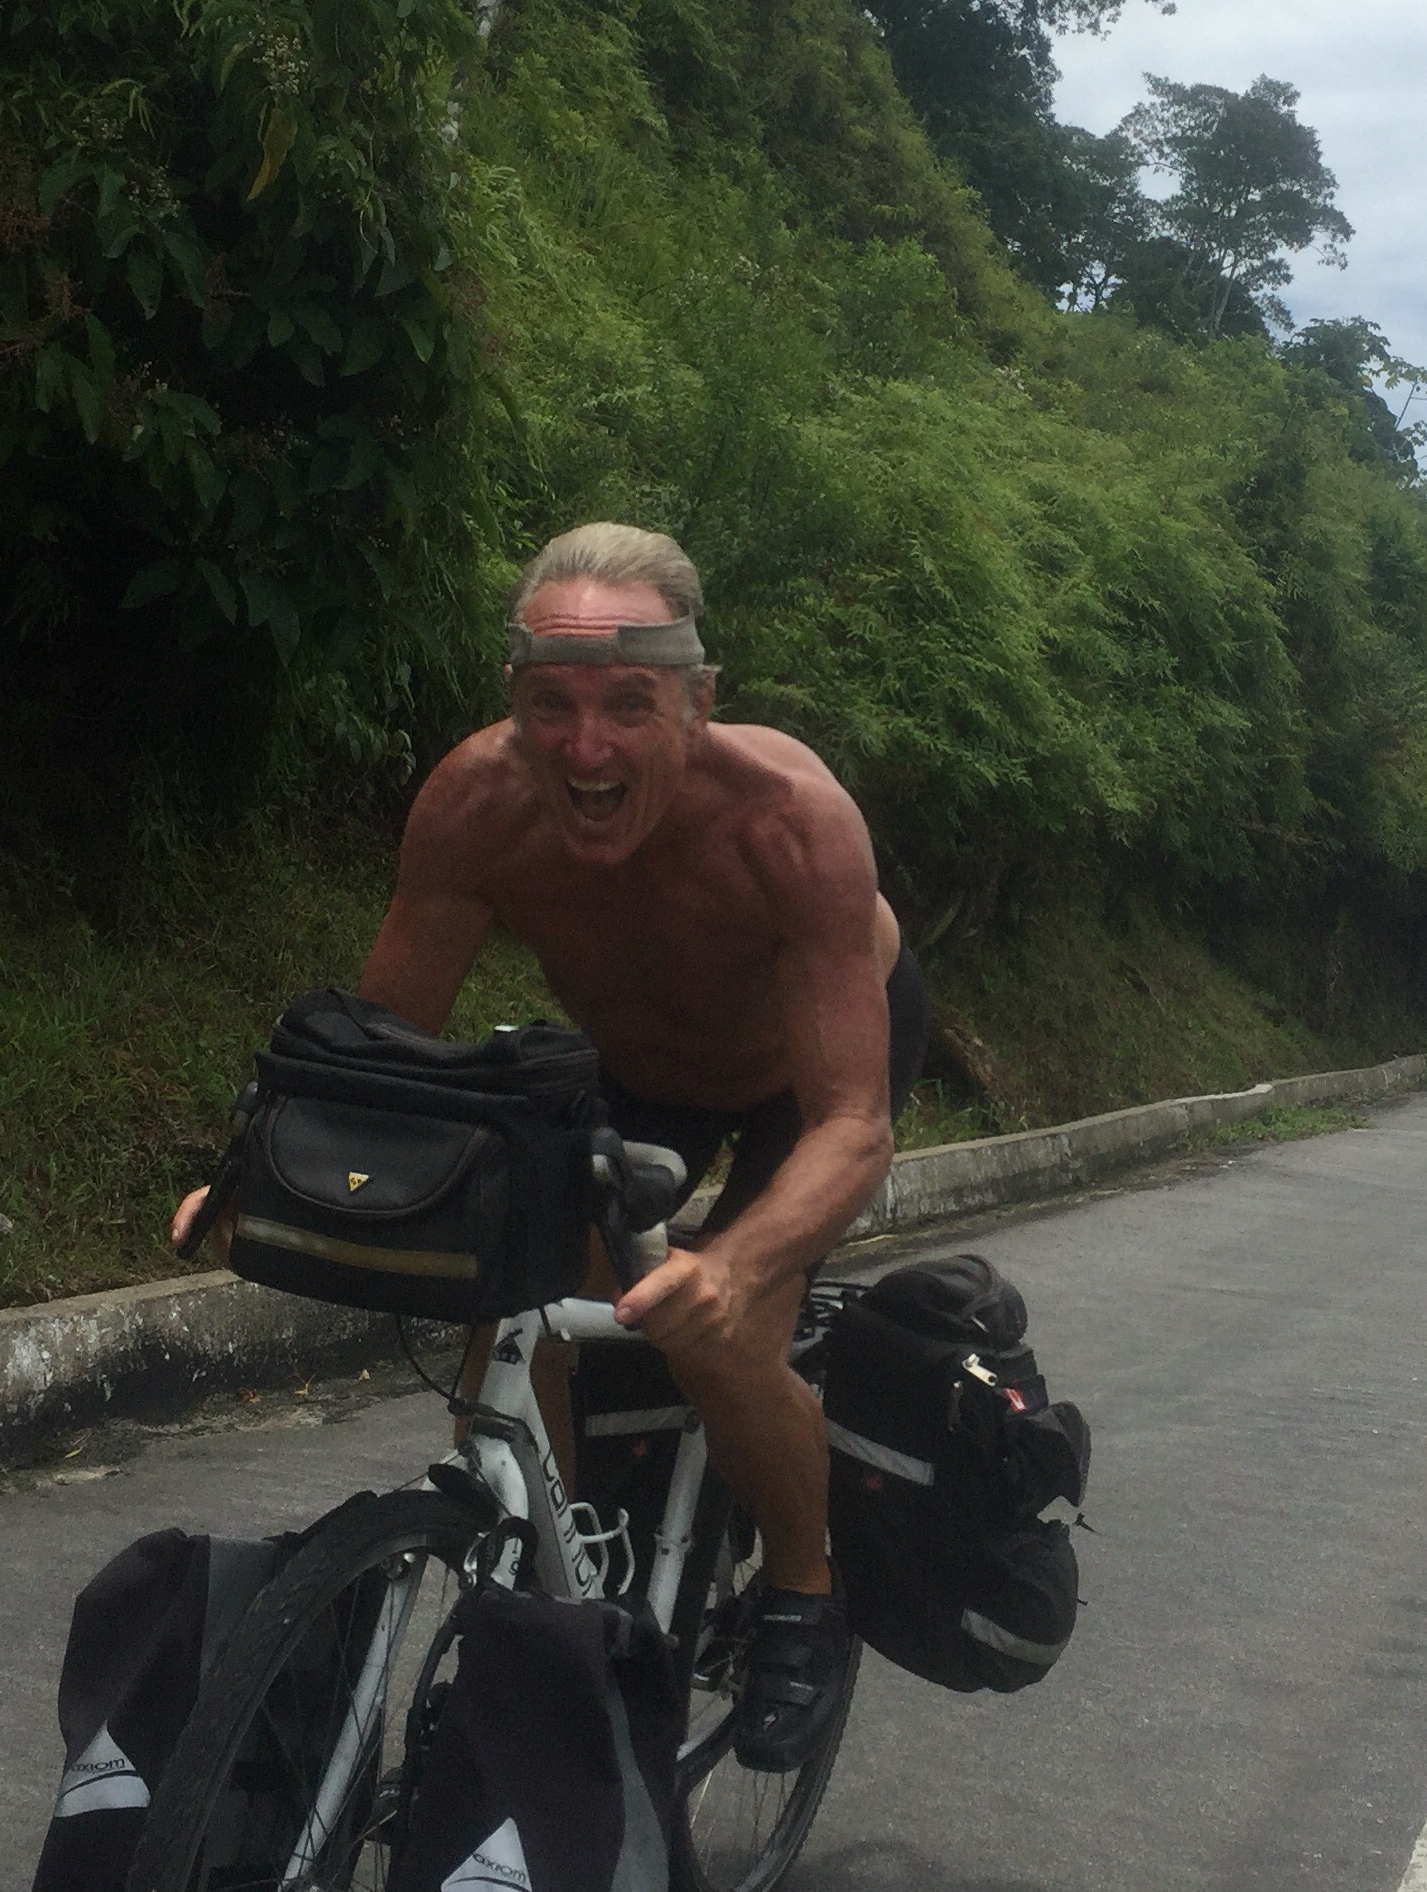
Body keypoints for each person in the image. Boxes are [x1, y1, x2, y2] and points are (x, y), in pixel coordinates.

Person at [176, 522, 927, 1770]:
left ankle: (807, 1590)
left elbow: (857, 1126)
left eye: (628, 704)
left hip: (805, 1079)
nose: (586, 747)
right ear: (513, 706)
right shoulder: (477, 804)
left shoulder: (790, 822)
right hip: (633, 1071)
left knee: (723, 1333)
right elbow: (376, 1060)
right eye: (551, 705)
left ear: (697, 704)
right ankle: (550, 1580)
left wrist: (734, 1267)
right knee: (512, 1283)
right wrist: (250, 1178)